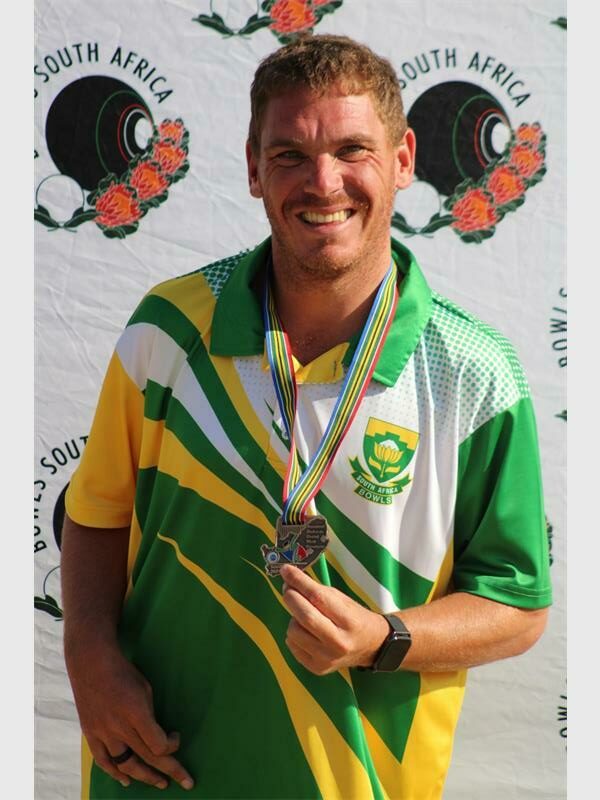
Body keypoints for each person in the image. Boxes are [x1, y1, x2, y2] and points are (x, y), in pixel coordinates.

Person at [61, 34, 552, 800]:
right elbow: (96, 514)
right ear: (254, 168)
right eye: (289, 154)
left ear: (403, 159)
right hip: (158, 773)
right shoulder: (169, 327)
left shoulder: (473, 372)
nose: (323, 182)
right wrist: (88, 657)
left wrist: (383, 638)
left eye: (352, 149)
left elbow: (516, 606)